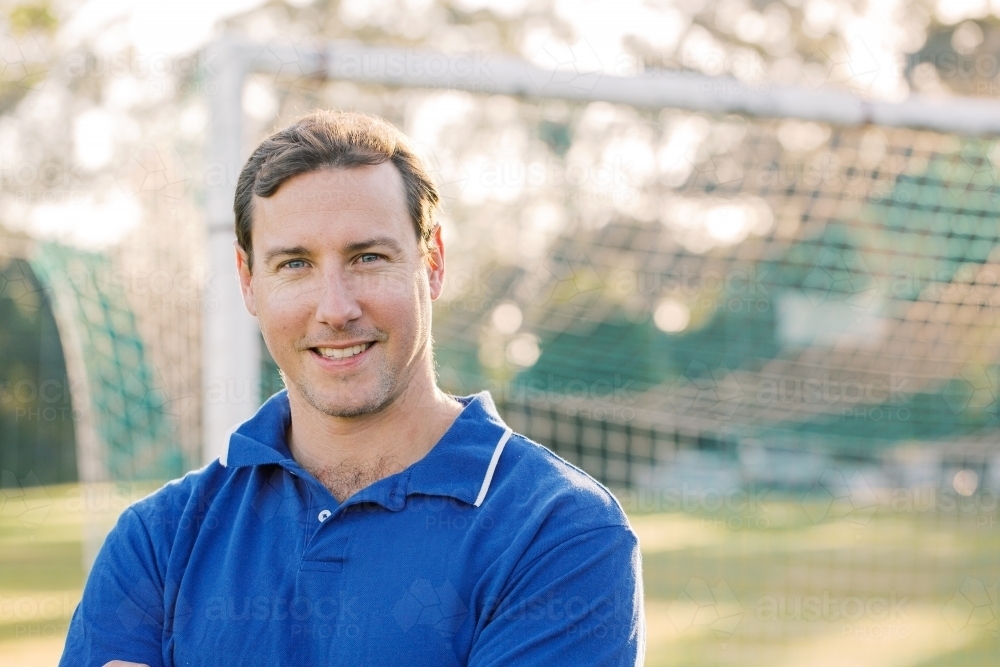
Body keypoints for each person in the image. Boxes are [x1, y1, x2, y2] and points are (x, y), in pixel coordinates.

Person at [58, 110, 645, 666]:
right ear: (248, 281)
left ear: (432, 261)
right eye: (295, 264)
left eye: (367, 257)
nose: (336, 309)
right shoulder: (158, 540)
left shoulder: (559, 532)